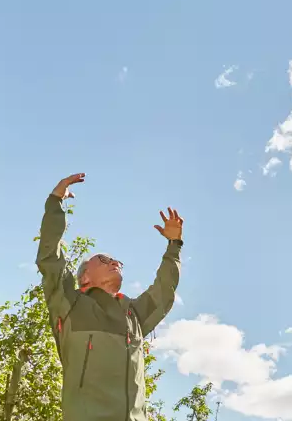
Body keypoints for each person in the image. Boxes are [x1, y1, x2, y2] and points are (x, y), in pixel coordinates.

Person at [36, 173, 184, 421]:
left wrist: (174, 244)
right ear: (84, 277)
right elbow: (50, 257)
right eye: (105, 260)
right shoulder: (68, 303)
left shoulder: (133, 314)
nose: (115, 262)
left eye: (117, 261)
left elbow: (164, 291)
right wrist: (54, 204)